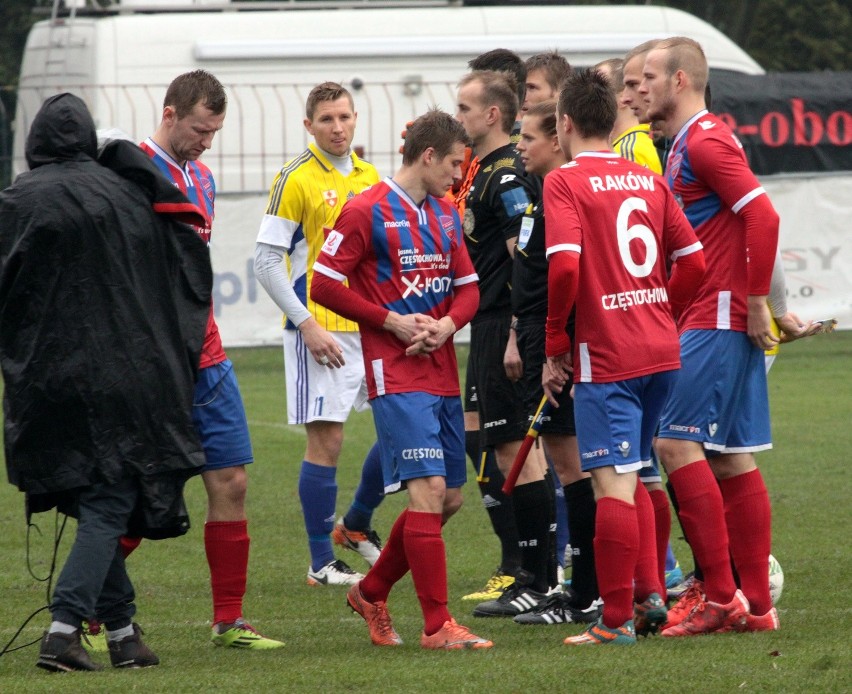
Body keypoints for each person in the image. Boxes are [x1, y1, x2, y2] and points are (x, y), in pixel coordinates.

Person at [0, 93, 213, 671]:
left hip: (45, 382)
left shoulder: (15, 201)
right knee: (110, 495)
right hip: (126, 376)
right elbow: (184, 275)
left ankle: (122, 634)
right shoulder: (130, 193)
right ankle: (65, 629)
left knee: (90, 493)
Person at [311, 108, 492, 650]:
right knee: (428, 491)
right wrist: (388, 319)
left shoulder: (442, 213)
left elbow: (470, 290)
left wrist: (446, 323)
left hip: (440, 371)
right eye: (456, 165)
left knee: (450, 498)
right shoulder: (365, 210)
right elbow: (322, 284)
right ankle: (438, 625)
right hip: (395, 373)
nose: (459, 177)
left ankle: (371, 590)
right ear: (429, 155)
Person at [542, 68, 706, 646]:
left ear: (564, 123)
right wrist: (662, 309)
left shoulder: (564, 181)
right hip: (660, 348)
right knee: (639, 473)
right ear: (612, 120)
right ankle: (651, 595)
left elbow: (563, 266)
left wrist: (556, 341)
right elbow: (694, 261)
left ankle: (613, 623)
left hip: (607, 354)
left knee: (610, 480)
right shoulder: (647, 178)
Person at [129, 70, 284, 648]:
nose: (206, 142)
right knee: (144, 494)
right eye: (199, 129)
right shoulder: (132, 175)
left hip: (209, 356)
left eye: (214, 132)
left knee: (232, 480)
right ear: (169, 114)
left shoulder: (205, 178)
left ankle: (228, 621)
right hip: (157, 361)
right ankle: (95, 614)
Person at [640, 37, 781, 635]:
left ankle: (721, 596)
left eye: (648, 76)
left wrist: (755, 303)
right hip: (712, 311)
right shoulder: (680, 145)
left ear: (679, 81)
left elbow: (763, 214)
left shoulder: (703, 138)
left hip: (716, 315)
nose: (639, 87)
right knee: (728, 457)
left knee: (673, 444)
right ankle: (757, 608)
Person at [255, 81, 385, 587]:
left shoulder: (372, 176)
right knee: (327, 442)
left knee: (399, 431)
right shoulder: (295, 177)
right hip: (321, 332)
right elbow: (267, 262)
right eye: (327, 119)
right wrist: (306, 324)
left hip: (373, 327)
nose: (338, 127)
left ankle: (354, 524)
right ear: (309, 125)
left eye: (345, 117)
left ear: (356, 119)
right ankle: (320, 563)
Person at [455, 70, 557, 617]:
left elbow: (526, 255)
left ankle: (535, 577)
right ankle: (529, 573)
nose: (460, 117)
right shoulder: (481, 172)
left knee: (517, 449)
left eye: (467, 108)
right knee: (504, 448)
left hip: (504, 324)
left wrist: (519, 330)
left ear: (493, 114)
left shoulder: (508, 175)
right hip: (488, 322)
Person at [506, 100, 602, 627]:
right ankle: (578, 587)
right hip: (537, 338)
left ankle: (585, 595)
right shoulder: (540, 199)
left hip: (558, 346)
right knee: (569, 467)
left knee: (574, 469)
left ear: (558, 139)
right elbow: (531, 284)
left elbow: (567, 276)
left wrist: (553, 346)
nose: (520, 146)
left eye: (528, 138)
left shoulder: (563, 194)